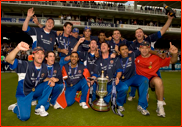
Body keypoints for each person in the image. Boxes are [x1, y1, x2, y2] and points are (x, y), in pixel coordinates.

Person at [128, 13, 175, 101]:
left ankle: (160, 98)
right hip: (140, 65)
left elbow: (162, 31)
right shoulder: (133, 44)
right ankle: (133, 94)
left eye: (140, 32)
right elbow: (131, 54)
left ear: (143, 34)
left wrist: (169, 19)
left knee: (158, 80)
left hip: (153, 64)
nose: (138, 33)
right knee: (135, 76)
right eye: (136, 32)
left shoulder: (149, 39)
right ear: (135, 35)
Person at [7, 42, 55, 121]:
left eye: (42, 53)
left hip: (35, 91)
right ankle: (16, 107)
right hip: (24, 93)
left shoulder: (44, 68)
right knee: (24, 117)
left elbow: (43, 78)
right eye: (37, 53)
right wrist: (17, 48)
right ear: (33, 55)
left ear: (44, 56)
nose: (40, 55)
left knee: (49, 84)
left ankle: (40, 107)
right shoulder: (25, 65)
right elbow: (8, 59)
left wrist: (50, 80)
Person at [135, 41, 178, 117]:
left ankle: (160, 106)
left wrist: (175, 53)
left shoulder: (156, 58)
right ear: (139, 49)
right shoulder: (135, 58)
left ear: (149, 49)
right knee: (145, 102)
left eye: (147, 48)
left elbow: (172, 61)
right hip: (141, 81)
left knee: (158, 81)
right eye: (142, 48)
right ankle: (144, 94)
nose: (144, 50)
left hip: (151, 79)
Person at [117, 43, 149, 115]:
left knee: (145, 80)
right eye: (122, 49)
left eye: (126, 49)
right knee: (124, 89)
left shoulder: (132, 55)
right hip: (122, 80)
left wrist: (158, 54)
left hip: (132, 78)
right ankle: (119, 104)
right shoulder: (117, 59)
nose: (125, 51)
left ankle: (142, 105)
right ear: (119, 52)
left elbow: (144, 49)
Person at [90, 42, 124, 108]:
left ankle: (119, 104)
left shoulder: (115, 58)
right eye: (102, 45)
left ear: (108, 48)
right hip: (103, 84)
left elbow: (119, 71)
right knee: (105, 101)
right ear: (100, 49)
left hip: (113, 81)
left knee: (124, 88)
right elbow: (95, 73)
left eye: (105, 45)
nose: (103, 46)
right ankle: (95, 100)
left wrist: (117, 77)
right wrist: (92, 79)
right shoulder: (98, 60)